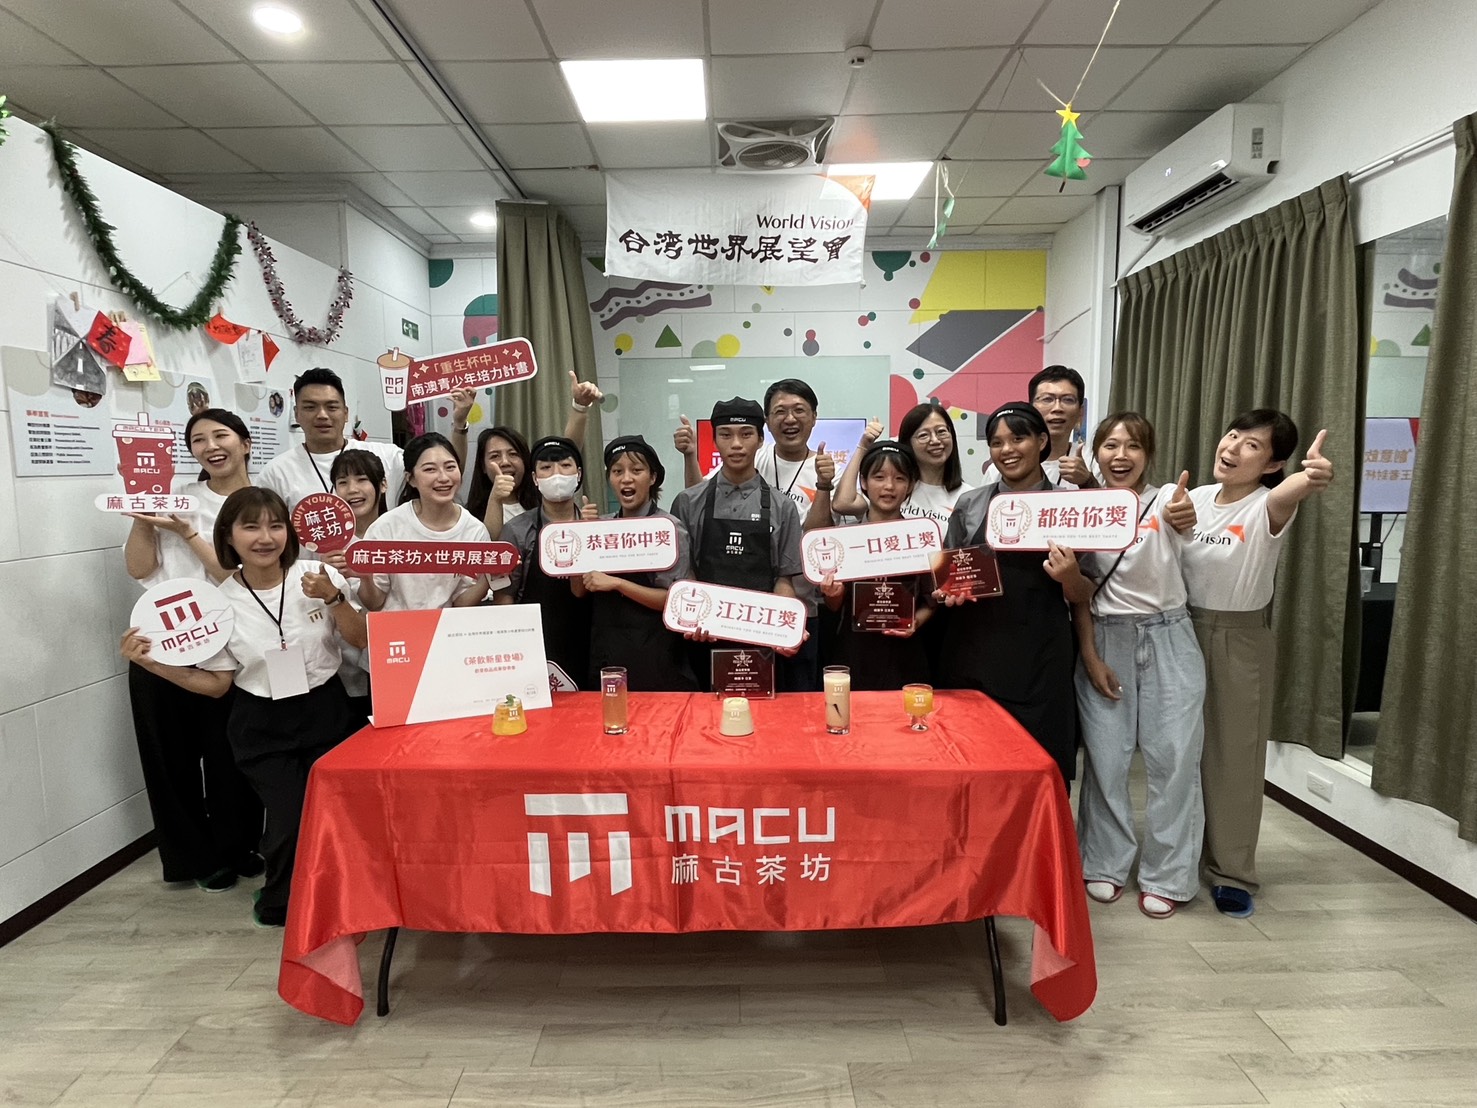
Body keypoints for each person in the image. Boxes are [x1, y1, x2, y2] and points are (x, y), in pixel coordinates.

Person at [120, 487, 365, 928]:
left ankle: (341, 894)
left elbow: (360, 638)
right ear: (228, 537)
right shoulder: (218, 603)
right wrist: (154, 665)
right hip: (261, 723)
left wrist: (334, 597)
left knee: (340, 814)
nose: (265, 537)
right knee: (289, 820)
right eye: (251, 527)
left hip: (326, 712)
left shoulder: (318, 576)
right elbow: (216, 685)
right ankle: (279, 901)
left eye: (275, 526)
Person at [1182, 410, 1333, 919]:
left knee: (1234, 759)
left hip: (1237, 637)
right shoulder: (1195, 498)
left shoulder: (1267, 504)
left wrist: (1310, 478)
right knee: (1177, 755)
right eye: (1232, 435)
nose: (1232, 448)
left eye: (1251, 445)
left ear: (1272, 465)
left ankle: (1232, 873)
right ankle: (1179, 856)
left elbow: (1289, 494)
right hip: (1178, 629)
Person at [121, 408, 263, 893]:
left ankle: (238, 845)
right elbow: (140, 569)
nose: (210, 446)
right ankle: (191, 858)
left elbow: (240, 578)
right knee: (169, 760)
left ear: (245, 443)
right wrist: (143, 518)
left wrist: (188, 532)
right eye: (198, 440)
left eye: (221, 435)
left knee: (231, 755)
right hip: (163, 643)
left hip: (233, 644)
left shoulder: (261, 505)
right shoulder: (174, 497)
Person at [1072, 412, 1205, 920]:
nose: (1120, 455)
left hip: (1169, 636)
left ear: (1148, 454)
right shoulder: (1083, 510)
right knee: (1106, 760)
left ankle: (1168, 875)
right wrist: (1090, 655)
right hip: (1106, 636)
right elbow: (1080, 595)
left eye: (1132, 446)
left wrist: (1183, 515)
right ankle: (1104, 863)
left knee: (1174, 760)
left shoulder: (1168, 498)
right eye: (1110, 445)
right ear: (1096, 454)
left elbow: (1185, 519)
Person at [934, 404, 1094, 786]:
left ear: (1041, 441)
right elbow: (946, 577)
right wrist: (948, 592)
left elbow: (1084, 593)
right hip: (974, 656)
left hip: (1042, 660)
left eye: (1018, 438)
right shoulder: (971, 504)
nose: (1007, 450)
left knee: (1040, 774)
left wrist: (1070, 576)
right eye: (996, 442)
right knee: (975, 769)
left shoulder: (1068, 508)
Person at [677, 378, 825, 690]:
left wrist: (784, 628)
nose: (736, 444)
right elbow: (686, 573)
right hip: (705, 635)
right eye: (725, 434)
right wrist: (691, 616)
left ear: (760, 439)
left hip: (762, 638)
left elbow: (785, 578)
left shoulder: (782, 507)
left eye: (746, 434)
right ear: (714, 440)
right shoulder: (689, 502)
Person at [572, 435, 699, 691]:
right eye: (617, 471)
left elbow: (674, 601)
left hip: (657, 656)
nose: (626, 479)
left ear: (653, 478)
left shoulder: (669, 529)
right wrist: (583, 537)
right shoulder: (600, 527)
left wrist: (618, 584)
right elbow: (577, 590)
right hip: (607, 653)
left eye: (636, 470)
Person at [816, 440, 934, 690]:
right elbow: (834, 606)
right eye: (879, 477)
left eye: (899, 478)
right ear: (864, 482)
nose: (889, 486)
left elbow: (932, 599)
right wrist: (833, 593)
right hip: (854, 654)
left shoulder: (921, 537)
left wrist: (916, 621)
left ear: (910, 485)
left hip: (906, 656)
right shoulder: (844, 540)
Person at [450, 369, 603, 538]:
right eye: (494, 456)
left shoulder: (546, 497)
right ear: (483, 466)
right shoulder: (471, 515)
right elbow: (491, 545)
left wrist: (580, 407)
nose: (505, 462)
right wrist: (459, 422)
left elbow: (567, 450)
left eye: (513, 454)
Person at [358, 434, 497, 613]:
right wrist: (365, 577)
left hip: (446, 627)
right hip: (395, 627)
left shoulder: (474, 531)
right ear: (410, 478)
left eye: (450, 467)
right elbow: (374, 603)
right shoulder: (387, 527)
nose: (444, 477)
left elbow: (461, 604)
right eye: (430, 469)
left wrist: (490, 576)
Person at [496, 436, 595, 686]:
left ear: (579, 474)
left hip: (592, 646)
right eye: (546, 468)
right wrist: (514, 647)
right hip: (536, 647)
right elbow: (504, 595)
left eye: (565, 466)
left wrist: (588, 532)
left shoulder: (597, 526)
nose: (556, 474)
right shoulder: (517, 530)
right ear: (534, 478)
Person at [258, 367, 404, 512]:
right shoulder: (276, 473)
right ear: (296, 414)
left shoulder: (389, 457)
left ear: (345, 413)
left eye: (332, 407)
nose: (322, 415)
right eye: (310, 407)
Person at [829, 402, 974, 529]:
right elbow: (842, 504)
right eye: (923, 435)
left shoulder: (968, 497)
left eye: (941, 432)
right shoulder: (894, 488)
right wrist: (863, 445)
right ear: (907, 442)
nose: (935, 440)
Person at [324, 449, 390, 725]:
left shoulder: (398, 533)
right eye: (342, 482)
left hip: (394, 659)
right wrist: (323, 568)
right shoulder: (323, 543)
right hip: (340, 668)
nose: (352, 490)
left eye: (362, 479)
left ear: (382, 485)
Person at [983, 366, 1098, 489]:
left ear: (1080, 412)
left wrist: (1087, 481)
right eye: (1047, 399)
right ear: (1031, 408)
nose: (1057, 408)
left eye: (1068, 400)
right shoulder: (1002, 467)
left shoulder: (1092, 461)